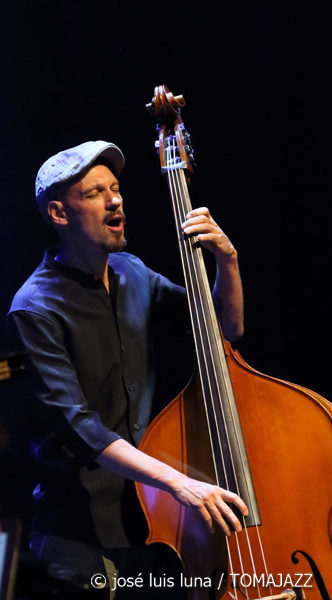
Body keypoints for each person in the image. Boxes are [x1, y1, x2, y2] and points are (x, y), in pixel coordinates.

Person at [8, 140, 247, 598]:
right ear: (59, 213)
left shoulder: (132, 272)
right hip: (78, 538)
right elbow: (81, 428)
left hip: (148, 524)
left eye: (115, 189)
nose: (114, 200)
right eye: (94, 193)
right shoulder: (34, 309)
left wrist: (227, 259)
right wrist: (180, 482)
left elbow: (224, 329)